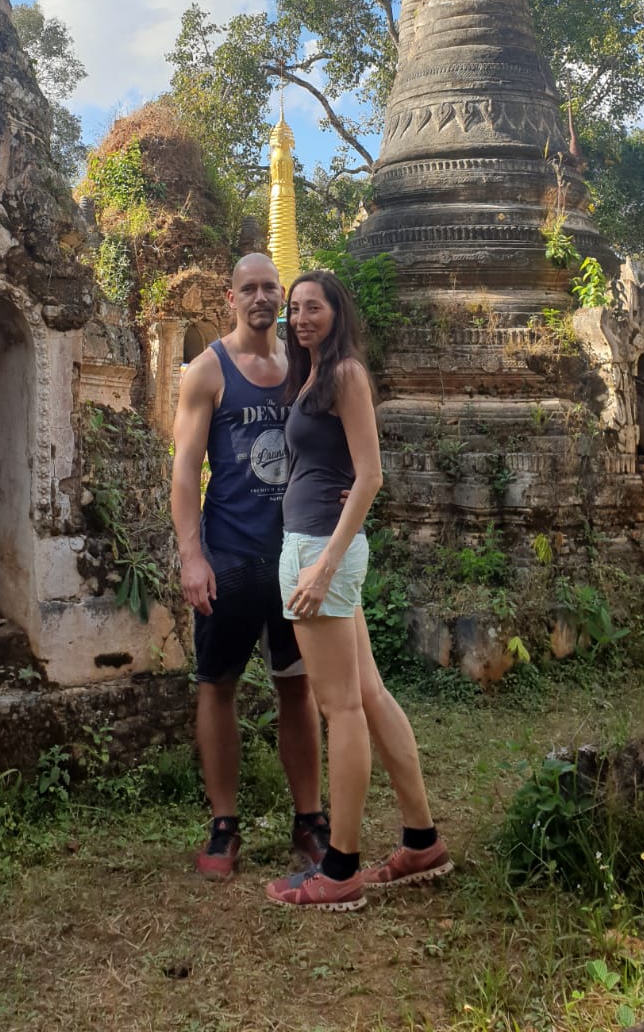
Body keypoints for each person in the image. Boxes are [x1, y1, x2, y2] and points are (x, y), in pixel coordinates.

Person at [265, 270, 452, 911]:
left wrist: (323, 566)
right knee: (367, 694)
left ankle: (340, 868)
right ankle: (421, 841)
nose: (300, 317)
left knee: (339, 708)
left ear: (337, 312)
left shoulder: (344, 373)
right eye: (294, 308)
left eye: (312, 307)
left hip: (321, 551)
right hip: (316, 545)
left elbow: (370, 476)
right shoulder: (313, 375)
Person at [171, 253, 329, 880]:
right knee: (218, 685)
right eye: (250, 289)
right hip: (230, 555)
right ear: (230, 298)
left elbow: (329, 444)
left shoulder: (303, 366)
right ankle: (224, 824)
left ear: (281, 297)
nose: (261, 298)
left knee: (298, 685)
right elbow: (186, 469)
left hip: (296, 555)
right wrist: (192, 556)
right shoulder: (208, 371)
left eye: (271, 288)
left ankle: (309, 819)